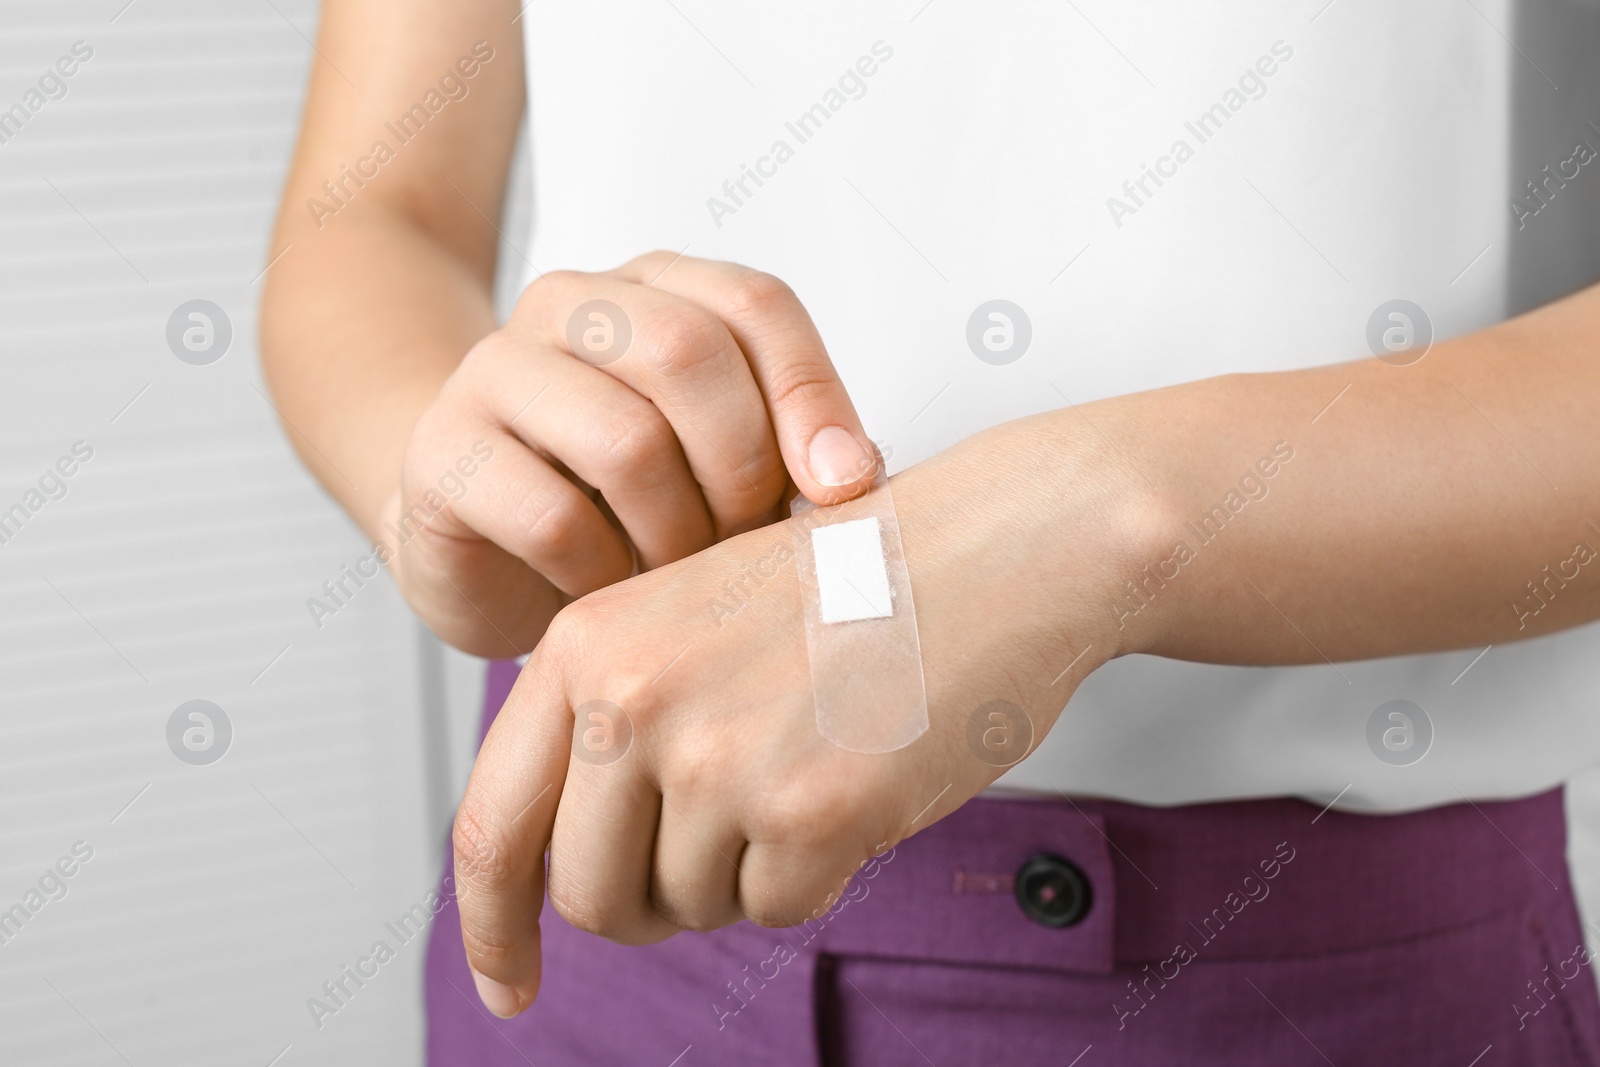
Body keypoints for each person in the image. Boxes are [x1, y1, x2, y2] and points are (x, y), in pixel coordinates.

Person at [261, 1, 1600, 1062]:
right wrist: (441, 475)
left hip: (1301, 979)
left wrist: (1094, 521)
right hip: (588, 890)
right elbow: (376, 210)